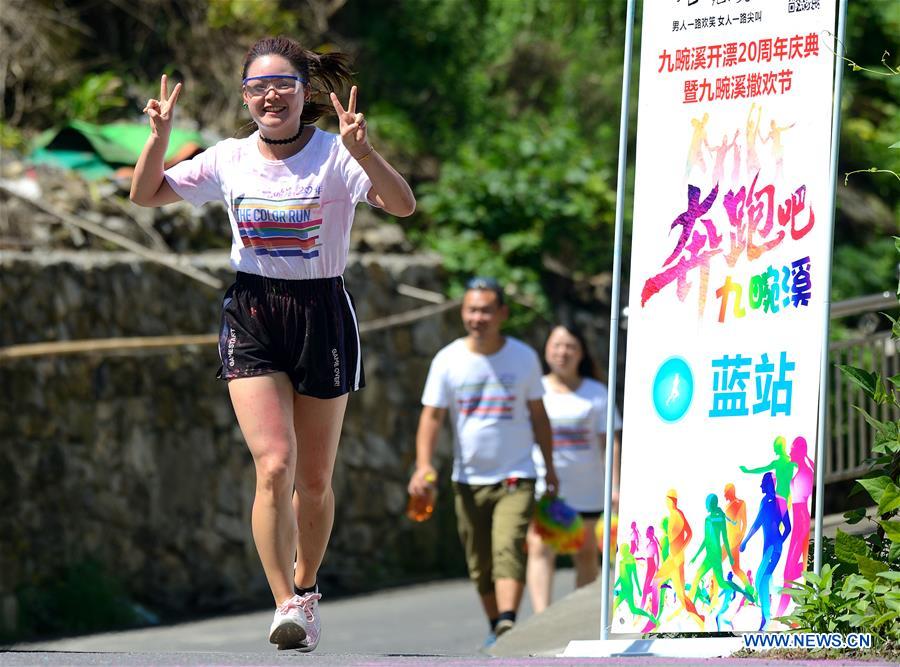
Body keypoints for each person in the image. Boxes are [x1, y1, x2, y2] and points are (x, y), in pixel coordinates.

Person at [130, 36, 415, 652]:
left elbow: (402, 204)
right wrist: (158, 138)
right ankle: (283, 602)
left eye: (281, 84)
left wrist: (366, 154)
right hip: (253, 312)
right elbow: (145, 194)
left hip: (322, 313)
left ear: (304, 90)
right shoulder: (229, 159)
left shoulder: (336, 156)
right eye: (257, 87)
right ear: (246, 97)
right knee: (274, 465)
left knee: (313, 479)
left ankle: (306, 588)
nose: (270, 96)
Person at [407, 277, 559, 647]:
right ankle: (496, 626)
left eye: (486, 310)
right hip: (468, 478)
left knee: (508, 546)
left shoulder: (523, 357)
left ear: (502, 314)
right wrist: (422, 466)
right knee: (480, 563)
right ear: (463, 313)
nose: (479, 317)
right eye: (472, 310)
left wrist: (550, 469)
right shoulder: (448, 360)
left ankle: (507, 622)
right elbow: (432, 417)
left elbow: (539, 416)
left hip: (517, 474)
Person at [524, 324, 621, 614]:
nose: (562, 352)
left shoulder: (596, 393)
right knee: (540, 548)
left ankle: (579, 618)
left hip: (588, 487)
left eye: (570, 346)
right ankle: (541, 618)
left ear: (581, 353)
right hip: (547, 486)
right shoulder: (535, 390)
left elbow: (611, 443)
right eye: (556, 345)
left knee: (586, 554)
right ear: (546, 351)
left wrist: (614, 486)